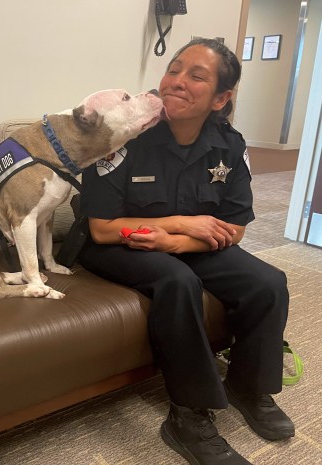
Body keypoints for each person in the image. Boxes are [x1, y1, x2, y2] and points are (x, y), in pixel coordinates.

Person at [79, 38, 294, 465]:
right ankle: (187, 414)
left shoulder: (230, 145)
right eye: (174, 70)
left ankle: (248, 387)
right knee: (178, 280)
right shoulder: (124, 132)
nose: (176, 82)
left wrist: (174, 242)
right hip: (118, 244)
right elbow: (102, 229)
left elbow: (233, 227)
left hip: (186, 244)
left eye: (196, 76)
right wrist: (176, 225)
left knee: (269, 282)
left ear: (221, 98)